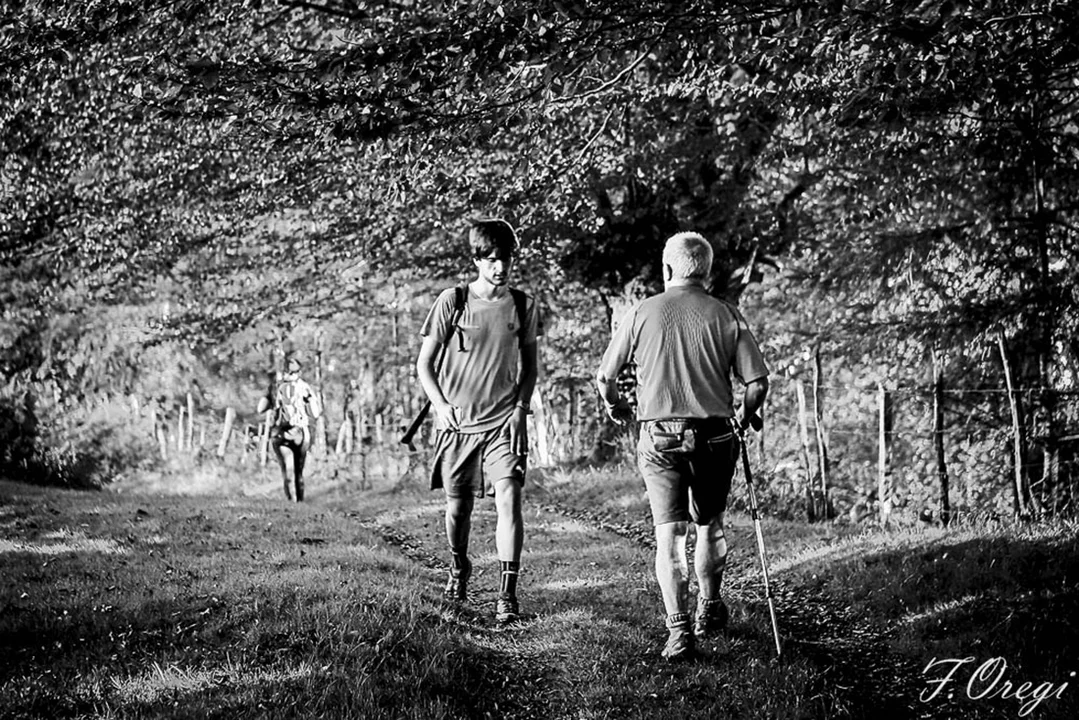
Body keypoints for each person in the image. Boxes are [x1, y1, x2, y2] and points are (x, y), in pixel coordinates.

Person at [595, 231, 769, 661]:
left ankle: (679, 632)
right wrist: (745, 414)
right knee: (710, 525)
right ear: (706, 271)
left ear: (667, 268)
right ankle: (710, 607)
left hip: (659, 437)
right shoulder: (726, 314)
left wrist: (617, 406)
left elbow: (605, 377)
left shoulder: (642, 311)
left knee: (669, 536)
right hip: (716, 435)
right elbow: (758, 383)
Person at [415, 217, 541, 625]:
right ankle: (458, 565)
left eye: (505, 259)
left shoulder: (523, 305)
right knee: (458, 509)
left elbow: (530, 368)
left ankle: (507, 593)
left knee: (509, 498)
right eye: (490, 260)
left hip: (504, 423)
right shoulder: (452, 301)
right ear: (476, 260)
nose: (499, 267)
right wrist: (440, 406)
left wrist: (520, 410)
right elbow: (424, 364)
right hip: (458, 426)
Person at [258, 356, 323, 502]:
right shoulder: (305, 387)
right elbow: (316, 413)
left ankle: (292, 501)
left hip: (283, 432)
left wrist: (270, 399)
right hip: (298, 431)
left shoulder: (276, 387)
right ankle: (297, 501)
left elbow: (260, 408)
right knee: (297, 470)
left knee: (289, 469)